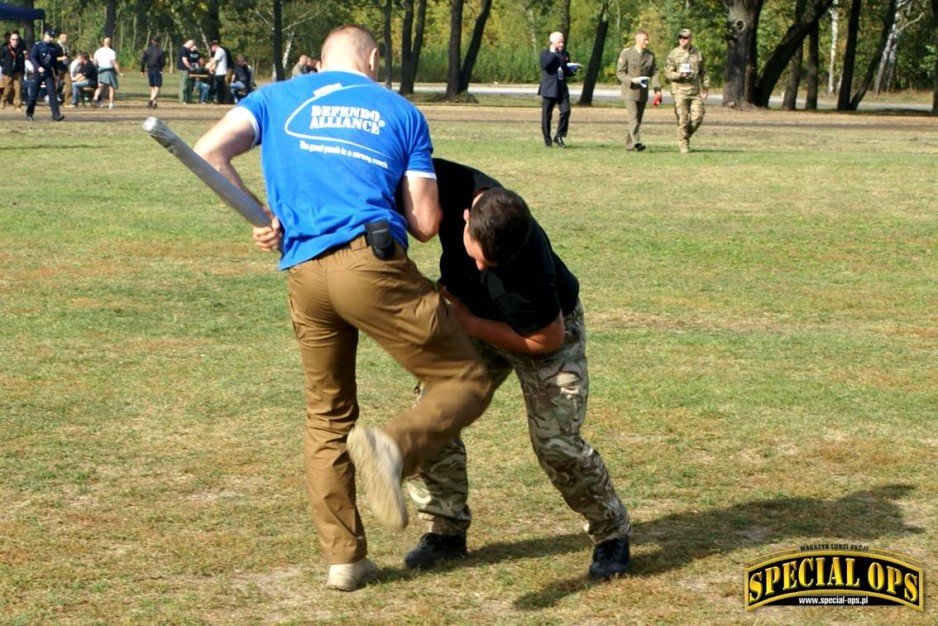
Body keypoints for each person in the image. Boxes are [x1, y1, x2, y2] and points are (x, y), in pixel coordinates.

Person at [192, 25, 492, 593]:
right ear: (372, 58)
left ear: (321, 61)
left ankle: (345, 560)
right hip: (370, 263)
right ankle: (393, 447)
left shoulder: (274, 97)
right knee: (466, 378)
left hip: (303, 273)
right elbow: (427, 225)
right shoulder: (400, 112)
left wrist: (262, 217)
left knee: (327, 415)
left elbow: (209, 152)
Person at [403, 159, 632, 580]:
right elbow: (395, 173)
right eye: (477, 256)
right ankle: (445, 528)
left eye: (491, 266)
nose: (480, 268)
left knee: (556, 444)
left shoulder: (528, 268)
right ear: (467, 217)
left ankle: (611, 534)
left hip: (540, 337)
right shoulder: (453, 186)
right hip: (472, 321)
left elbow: (547, 339)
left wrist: (471, 324)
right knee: (431, 418)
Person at [665, 28, 709, 154]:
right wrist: (679, 75)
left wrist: (705, 86)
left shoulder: (697, 53)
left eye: (685, 38)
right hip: (680, 91)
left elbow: (703, 71)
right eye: (680, 38)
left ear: (690, 39)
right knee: (683, 119)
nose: (682, 40)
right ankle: (683, 144)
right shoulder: (674, 54)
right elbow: (668, 73)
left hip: (694, 91)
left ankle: (683, 136)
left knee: (698, 117)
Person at [616, 29, 661, 152]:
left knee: (637, 120)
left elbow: (655, 73)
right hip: (630, 91)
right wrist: (632, 80)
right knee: (634, 117)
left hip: (642, 92)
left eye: (647, 39)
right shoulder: (626, 53)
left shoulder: (650, 55)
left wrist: (657, 89)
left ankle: (629, 145)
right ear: (637, 39)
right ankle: (637, 142)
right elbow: (620, 73)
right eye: (644, 39)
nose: (647, 42)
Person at [538, 31, 576, 148]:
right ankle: (547, 140)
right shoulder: (545, 53)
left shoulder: (565, 54)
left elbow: (567, 71)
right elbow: (545, 65)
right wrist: (553, 53)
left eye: (562, 42)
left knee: (566, 110)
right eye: (559, 42)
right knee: (547, 114)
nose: (562, 44)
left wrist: (572, 69)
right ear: (553, 42)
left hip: (562, 87)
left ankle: (559, 136)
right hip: (549, 88)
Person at [26, 28, 64, 122]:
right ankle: (29, 113)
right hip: (38, 73)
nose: (51, 38)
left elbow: (54, 61)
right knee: (33, 94)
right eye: (50, 36)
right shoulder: (38, 45)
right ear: (45, 35)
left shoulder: (54, 47)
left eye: (52, 37)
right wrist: (38, 67)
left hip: (48, 73)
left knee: (52, 93)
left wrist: (56, 73)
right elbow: (33, 57)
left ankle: (56, 115)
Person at [92, 36, 122, 109]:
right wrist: (119, 72)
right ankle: (111, 104)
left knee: (100, 86)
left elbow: (95, 62)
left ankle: (95, 97)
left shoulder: (98, 51)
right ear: (110, 43)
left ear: (103, 42)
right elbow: (114, 63)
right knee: (111, 87)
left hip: (100, 70)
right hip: (109, 70)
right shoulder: (111, 52)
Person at [1, 31, 26, 110]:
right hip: (8, 72)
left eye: (16, 40)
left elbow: (22, 62)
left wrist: (22, 71)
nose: (15, 41)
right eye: (13, 39)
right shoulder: (4, 49)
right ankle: (3, 101)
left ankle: (18, 106)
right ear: (10, 40)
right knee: (7, 90)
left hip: (17, 72)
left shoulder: (20, 50)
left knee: (18, 89)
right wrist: (4, 67)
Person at [140, 36, 165, 109]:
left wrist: (142, 70)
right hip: (157, 70)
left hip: (149, 70)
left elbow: (143, 61)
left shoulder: (147, 50)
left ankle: (154, 103)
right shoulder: (161, 51)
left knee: (152, 87)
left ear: (152, 41)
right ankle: (151, 101)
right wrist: (160, 68)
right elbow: (163, 62)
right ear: (159, 42)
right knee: (158, 87)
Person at [206, 40, 229, 104]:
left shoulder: (219, 51)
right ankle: (220, 100)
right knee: (220, 86)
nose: (211, 49)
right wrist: (213, 68)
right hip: (220, 71)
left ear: (214, 46)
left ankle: (219, 100)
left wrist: (209, 66)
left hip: (220, 72)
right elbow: (216, 62)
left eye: (211, 47)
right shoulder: (220, 51)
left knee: (218, 87)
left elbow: (214, 60)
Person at [55, 31, 71, 105]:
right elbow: (53, 58)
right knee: (56, 85)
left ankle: (67, 101)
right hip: (58, 68)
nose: (66, 39)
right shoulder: (56, 46)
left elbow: (68, 56)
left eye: (66, 38)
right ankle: (54, 100)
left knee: (69, 84)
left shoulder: (66, 47)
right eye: (64, 38)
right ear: (60, 38)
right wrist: (61, 58)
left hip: (65, 68)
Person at [177, 39, 195, 104]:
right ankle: (182, 99)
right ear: (190, 44)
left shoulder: (185, 49)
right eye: (191, 46)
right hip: (184, 69)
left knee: (187, 84)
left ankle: (187, 99)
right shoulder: (183, 49)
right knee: (184, 85)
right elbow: (185, 60)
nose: (191, 47)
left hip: (185, 69)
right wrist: (190, 67)